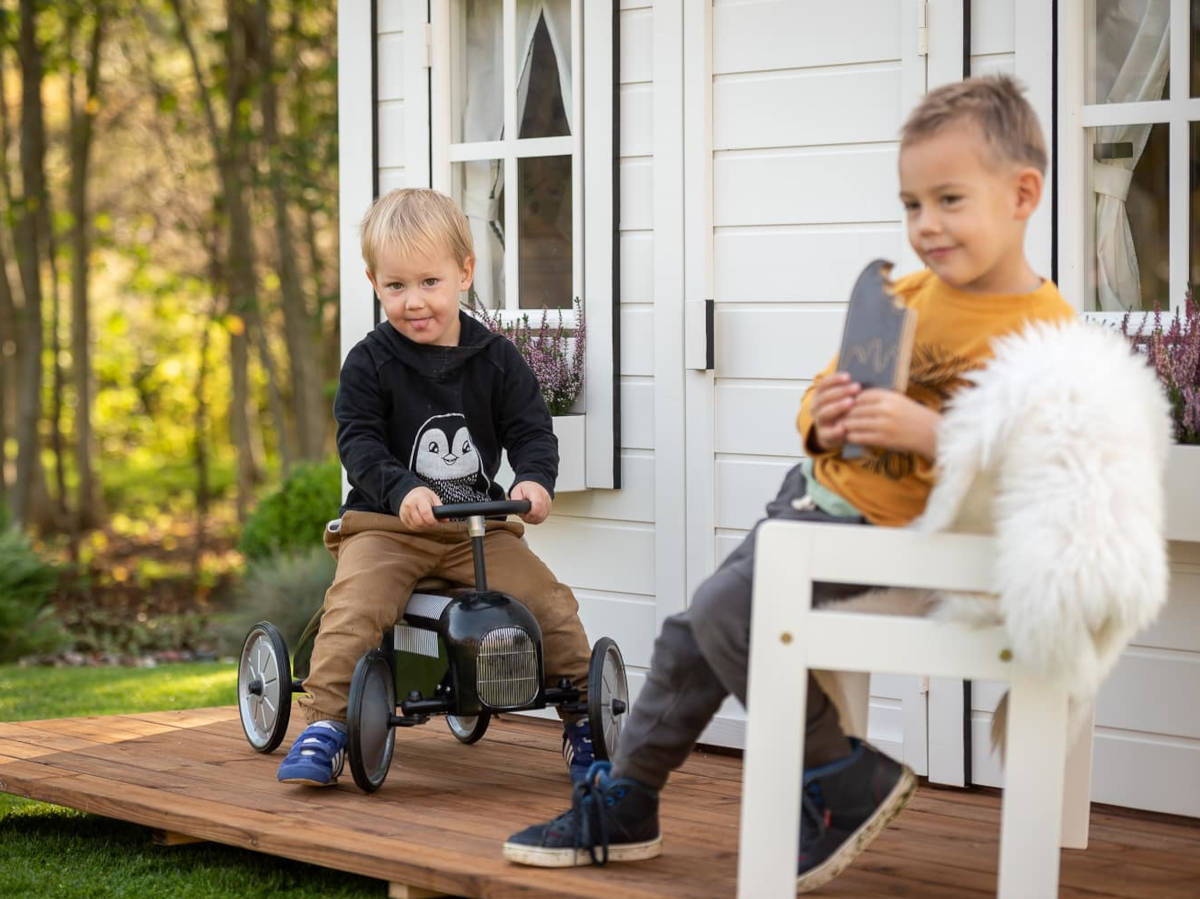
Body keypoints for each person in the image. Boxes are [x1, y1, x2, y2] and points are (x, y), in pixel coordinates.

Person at [502, 75, 1076, 891]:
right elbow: (821, 388)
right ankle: (631, 800)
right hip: (814, 502)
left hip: (901, 536)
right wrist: (826, 416)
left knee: (718, 618)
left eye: (949, 199)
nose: (927, 225)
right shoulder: (903, 294)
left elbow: (1047, 462)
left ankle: (841, 776)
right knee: (689, 634)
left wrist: (935, 434)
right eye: (912, 204)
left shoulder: (1044, 331)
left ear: (1023, 194)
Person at [276, 188, 595, 788]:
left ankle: (583, 716)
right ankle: (324, 725)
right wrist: (401, 491)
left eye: (429, 282)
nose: (413, 301)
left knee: (547, 602)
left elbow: (532, 430)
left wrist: (534, 479)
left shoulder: (499, 360)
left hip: (477, 526)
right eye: (396, 287)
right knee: (357, 608)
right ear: (374, 283)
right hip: (387, 528)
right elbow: (360, 444)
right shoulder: (369, 363)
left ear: (465, 273)